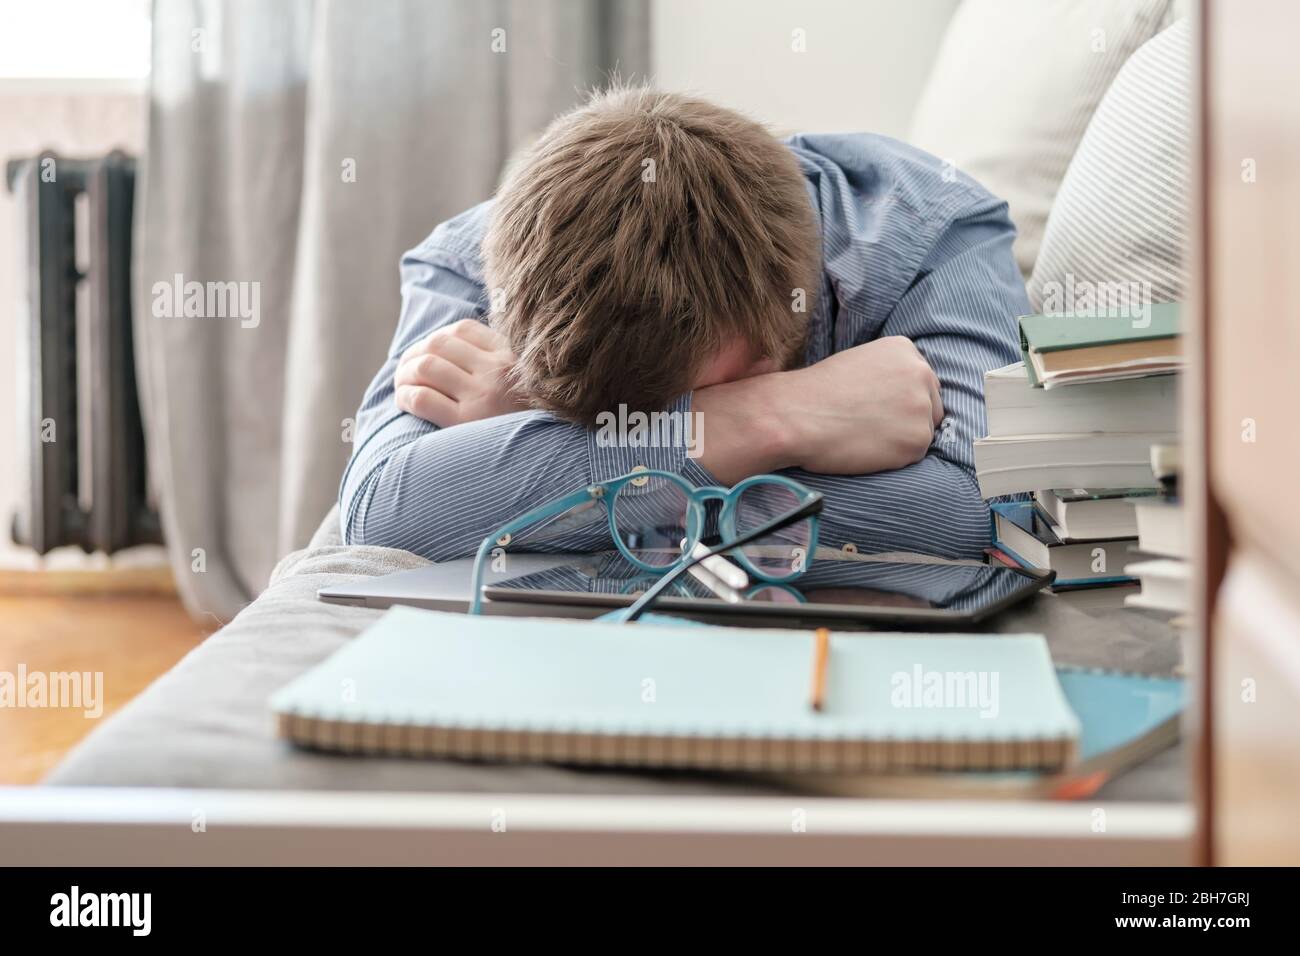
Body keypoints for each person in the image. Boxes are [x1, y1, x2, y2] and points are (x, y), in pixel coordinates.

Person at [340, 85, 1026, 562]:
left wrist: (535, 464)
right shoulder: (478, 255)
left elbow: (981, 518)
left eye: (686, 397)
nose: (663, 422)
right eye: (597, 419)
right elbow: (381, 515)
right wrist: (766, 420)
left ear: (771, 343)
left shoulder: (936, 234)